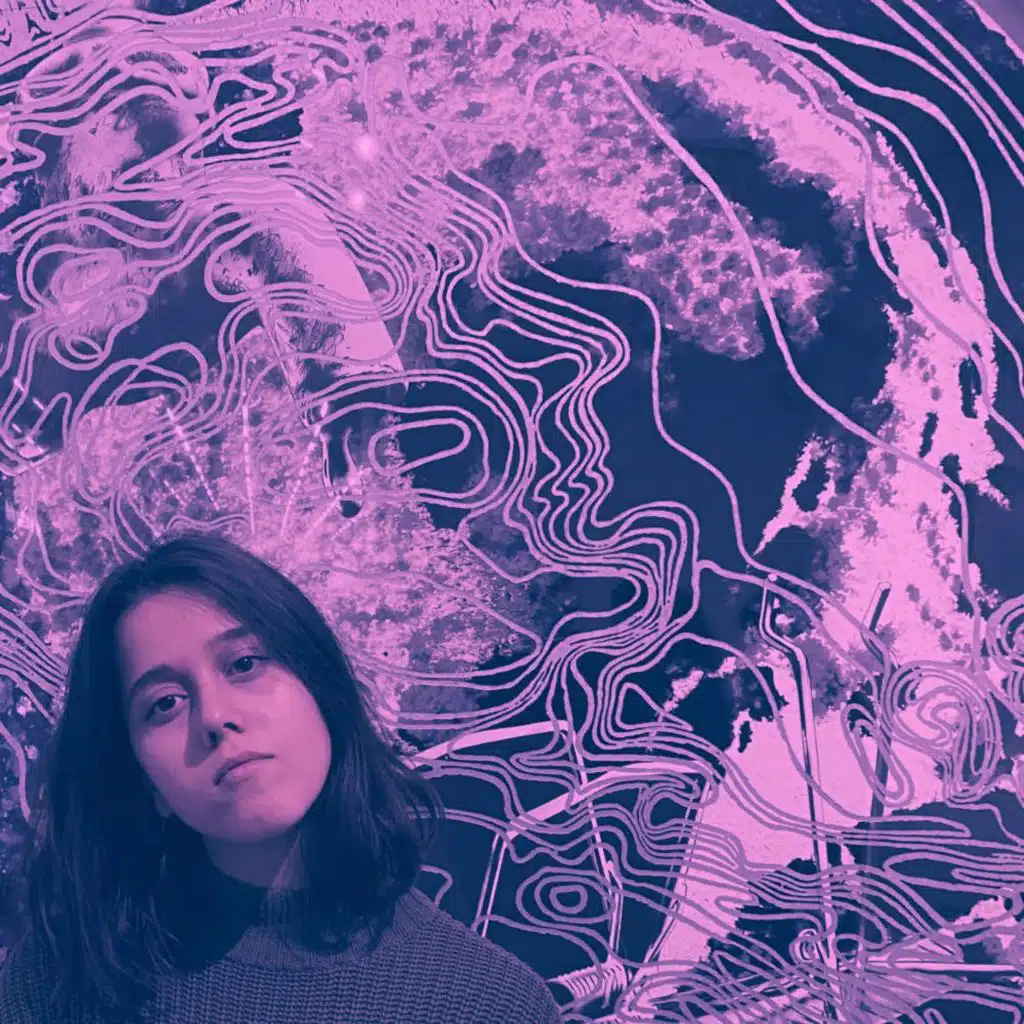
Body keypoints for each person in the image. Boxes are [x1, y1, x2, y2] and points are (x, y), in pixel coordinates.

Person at [0, 529, 563, 1023]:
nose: (215, 717)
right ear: (142, 778)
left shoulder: (489, 1003)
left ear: (322, 688)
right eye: (165, 703)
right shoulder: (71, 973)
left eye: (244, 664)